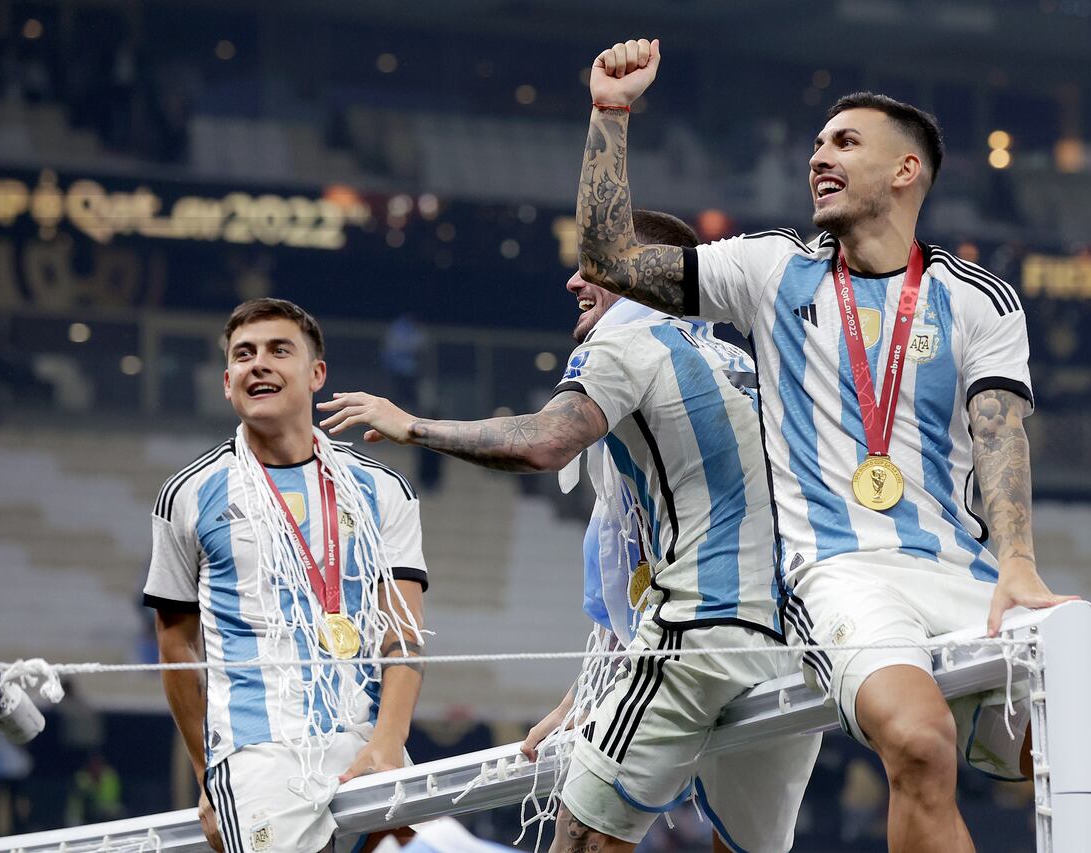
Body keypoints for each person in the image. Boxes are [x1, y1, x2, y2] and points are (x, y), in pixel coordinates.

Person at [571, 38, 1091, 853]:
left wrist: (1015, 562)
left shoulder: (980, 299)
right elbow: (612, 259)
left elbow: (1000, 429)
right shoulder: (769, 269)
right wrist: (609, 113)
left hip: (963, 573)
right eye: (816, 145)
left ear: (906, 171)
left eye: (844, 143)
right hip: (837, 574)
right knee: (918, 740)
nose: (818, 158)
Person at [318, 211, 819, 853]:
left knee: (584, 834)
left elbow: (544, 443)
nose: (574, 280)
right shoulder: (747, 365)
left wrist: (411, 426)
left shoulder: (629, 345)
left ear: (646, 274)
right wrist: (588, 692)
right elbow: (647, 553)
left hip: (700, 632)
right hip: (789, 651)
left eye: (597, 264)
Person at [143, 298, 428, 853]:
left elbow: (404, 631)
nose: (258, 364)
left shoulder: (382, 487)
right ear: (228, 383)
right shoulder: (188, 495)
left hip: (368, 740)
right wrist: (210, 774)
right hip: (255, 756)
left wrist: (389, 743)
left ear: (316, 373)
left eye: (279, 350)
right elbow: (176, 645)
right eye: (243, 355)